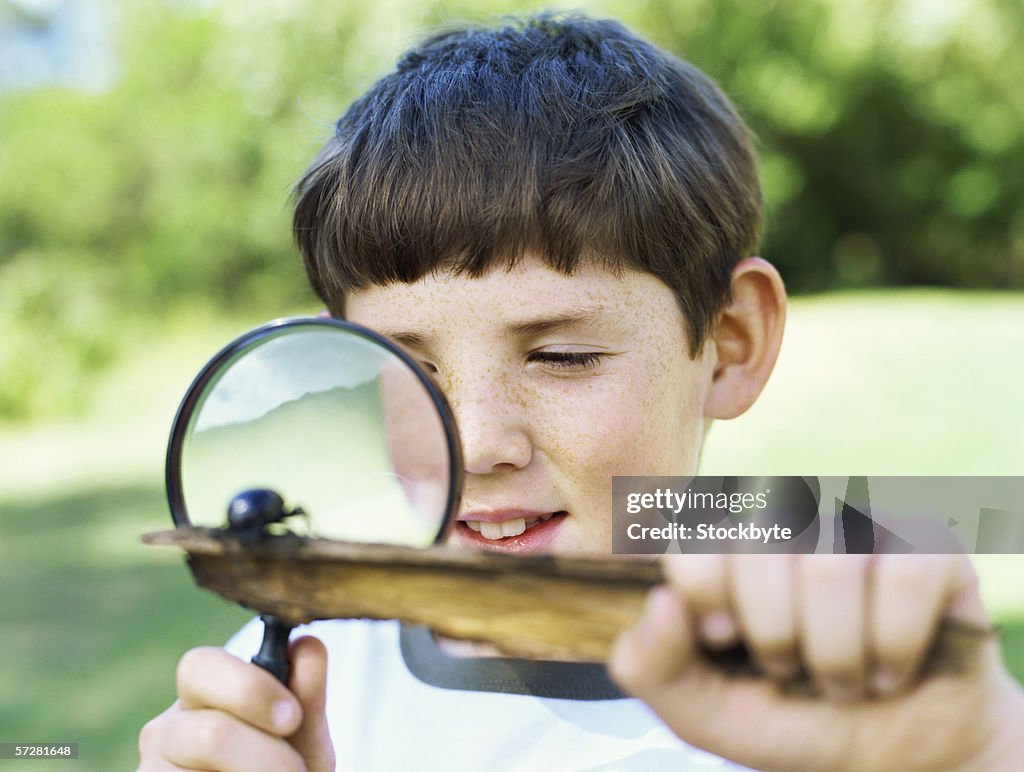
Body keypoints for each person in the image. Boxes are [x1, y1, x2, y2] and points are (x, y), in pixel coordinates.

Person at [137, 13, 1024, 771]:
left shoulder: (849, 683)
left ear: (729, 345)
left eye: (561, 356)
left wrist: (984, 750)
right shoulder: (292, 685)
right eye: (412, 370)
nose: (480, 444)